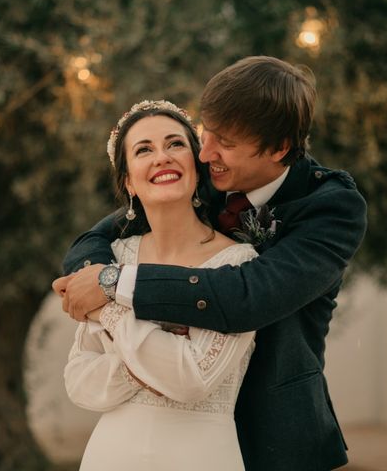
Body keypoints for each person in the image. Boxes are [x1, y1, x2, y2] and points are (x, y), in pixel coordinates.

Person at [59, 56, 368, 470]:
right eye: (206, 133)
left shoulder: (331, 208)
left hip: (275, 432)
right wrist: (93, 276)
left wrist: (111, 286)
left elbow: (244, 297)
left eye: (226, 142)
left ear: (279, 148)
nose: (205, 153)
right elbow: (95, 239)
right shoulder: (204, 173)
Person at [53, 100, 258, 470]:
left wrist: (108, 311)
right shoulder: (111, 259)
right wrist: (160, 350)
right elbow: (80, 382)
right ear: (129, 180)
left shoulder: (237, 264)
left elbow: (192, 380)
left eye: (175, 144)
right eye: (144, 150)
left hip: (202, 456)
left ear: (196, 168)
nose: (161, 157)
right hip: (111, 455)